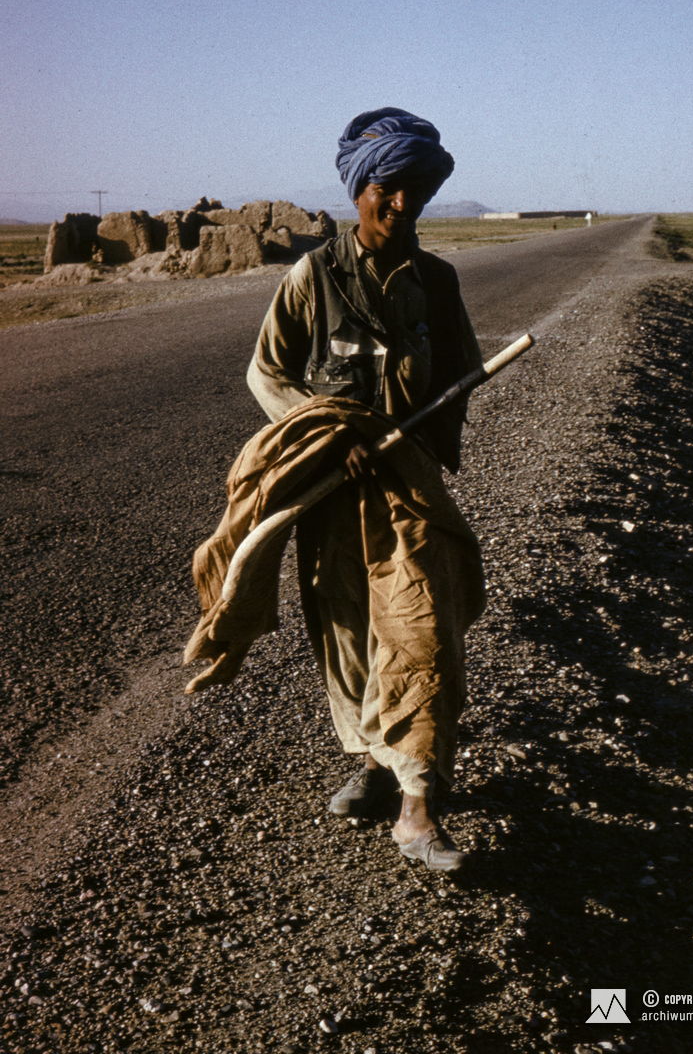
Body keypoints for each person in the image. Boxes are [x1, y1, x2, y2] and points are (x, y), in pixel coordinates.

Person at [245, 107, 485, 871]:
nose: (403, 204)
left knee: (419, 634)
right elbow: (266, 373)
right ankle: (376, 765)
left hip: (406, 490)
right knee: (347, 635)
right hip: (330, 495)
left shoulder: (437, 283)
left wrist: (421, 449)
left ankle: (418, 806)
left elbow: (460, 373)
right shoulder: (312, 276)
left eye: (417, 188)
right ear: (359, 190)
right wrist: (325, 430)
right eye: (389, 187)